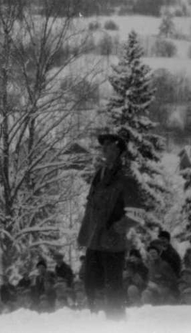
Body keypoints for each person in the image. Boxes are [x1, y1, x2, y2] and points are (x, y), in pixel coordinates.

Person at [76, 130, 144, 319]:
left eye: (109, 145)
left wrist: (116, 228)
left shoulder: (126, 179)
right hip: (94, 240)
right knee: (91, 283)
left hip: (113, 244)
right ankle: (96, 322)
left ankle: (116, 323)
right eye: (103, 145)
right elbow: (91, 206)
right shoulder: (99, 175)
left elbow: (137, 214)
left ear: (119, 151)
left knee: (112, 288)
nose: (104, 149)